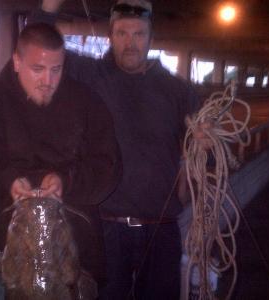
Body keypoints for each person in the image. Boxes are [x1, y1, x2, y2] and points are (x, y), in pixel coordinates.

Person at [30, 0, 201, 299]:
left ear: (150, 37)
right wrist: (48, 7)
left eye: (138, 34)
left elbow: (203, 154)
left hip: (161, 229)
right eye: (122, 33)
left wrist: (201, 149)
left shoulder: (179, 90)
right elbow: (37, 44)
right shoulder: (92, 75)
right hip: (106, 231)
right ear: (110, 36)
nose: (130, 42)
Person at [0, 22, 121, 299]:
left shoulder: (87, 102)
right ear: (16, 61)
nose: (48, 80)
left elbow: (109, 168)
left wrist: (67, 181)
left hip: (73, 265)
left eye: (56, 69)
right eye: (37, 69)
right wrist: (5, 181)